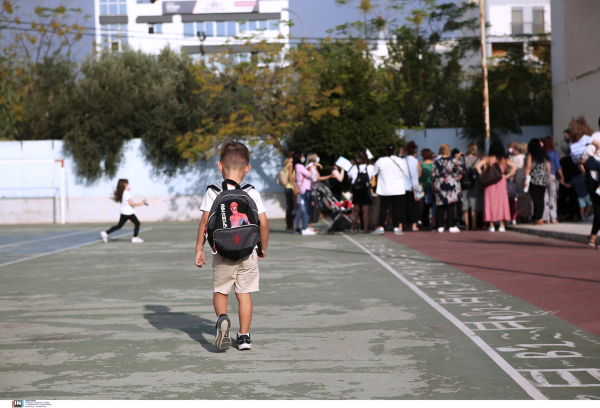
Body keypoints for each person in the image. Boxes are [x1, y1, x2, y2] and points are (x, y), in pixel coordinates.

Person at [195, 141, 269, 351]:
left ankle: (222, 318)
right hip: (248, 252)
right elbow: (263, 223)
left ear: (220, 166)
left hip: (222, 251)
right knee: (244, 294)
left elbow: (204, 223)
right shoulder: (252, 192)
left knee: (221, 291)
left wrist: (199, 249)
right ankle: (244, 337)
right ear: (248, 168)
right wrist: (262, 247)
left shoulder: (213, 191)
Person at [568, 117, 600, 247]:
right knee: (598, 207)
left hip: (591, 175)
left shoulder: (594, 136)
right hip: (594, 172)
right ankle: (592, 236)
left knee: (598, 206)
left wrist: (581, 163)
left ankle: (593, 236)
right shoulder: (592, 137)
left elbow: (586, 153)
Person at [475, 141, 517, 232]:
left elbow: (477, 166)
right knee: (501, 202)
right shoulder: (503, 159)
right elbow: (514, 167)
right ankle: (502, 225)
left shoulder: (488, 158)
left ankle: (491, 225)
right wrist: (506, 176)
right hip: (501, 182)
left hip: (489, 183)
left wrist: (482, 175)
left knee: (490, 202)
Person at [371, 144, 408, 236]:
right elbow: (405, 172)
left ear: (386, 151)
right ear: (395, 151)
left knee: (383, 208)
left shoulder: (381, 160)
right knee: (397, 209)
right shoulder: (400, 161)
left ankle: (380, 227)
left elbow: (373, 173)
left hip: (385, 189)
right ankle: (396, 227)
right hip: (398, 189)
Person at [101, 179, 147, 244]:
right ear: (125, 184)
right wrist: (141, 203)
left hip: (123, 213)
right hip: (129, 213)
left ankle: (106, 233)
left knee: (119, 226)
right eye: (128, 184)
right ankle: (135, 238)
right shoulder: (127, 193)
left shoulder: (123, 193)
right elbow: (131, 203)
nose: (130, 185)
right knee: (137, 223)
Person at [431, 144, 462, 233]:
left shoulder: (436, 162)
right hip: (451, 184)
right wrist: (459, 177)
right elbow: (463, 169)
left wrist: (433, 186)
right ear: (449, 151)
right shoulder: (453, 161)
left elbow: (433, 175)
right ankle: (451, 225)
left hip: (439, 184)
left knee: (440, 205)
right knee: (450, 206)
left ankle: (440, 226)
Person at [524, 138, 551, 226]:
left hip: (534, 178)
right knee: (541, 198)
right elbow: (548, 166)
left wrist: (525, 178)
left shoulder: (531, 154)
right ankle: (540, 217)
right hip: (543, 178)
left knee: (535, 198)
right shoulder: (544, 154)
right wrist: (548, 176)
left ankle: (538, 218)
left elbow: (528, 167)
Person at [348, 151, 374, 233]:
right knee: (366, 210)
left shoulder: (354, 168)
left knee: (355, 209)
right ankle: (365, 228)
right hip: (366, 190)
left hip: (356, 190)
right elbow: (372, 177)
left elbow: (349, 177)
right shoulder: (370, 167)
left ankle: (353, 227)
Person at [293, 151, 315, 235]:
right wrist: (311, 169)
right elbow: (309, 175)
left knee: (305, 208)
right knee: (306, 209)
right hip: (305, 189)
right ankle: (305, 228)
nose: (303, 158)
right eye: (302, 156)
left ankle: (305, 227)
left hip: (302, 189)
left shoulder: (296, 166)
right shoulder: (300, 166)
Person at [306, 153, 332, 225]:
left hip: (313, 188)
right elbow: (315, 178)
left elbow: (317, 178)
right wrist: (318, 165)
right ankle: (308, 226)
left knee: (313, 207)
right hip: (311, 188)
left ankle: (309, 226)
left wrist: (329, 176)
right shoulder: (310, 166)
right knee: (310, 206)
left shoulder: (313, 167)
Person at [542, 136, 563, 224]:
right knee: (553, 197)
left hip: (543, 176)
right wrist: (562, 176)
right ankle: (553, 217)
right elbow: (557, 166)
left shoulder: (542, 153)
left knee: (545, 197)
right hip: (552, 176)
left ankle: (546, 217)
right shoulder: (554, 153)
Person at [402, 142, 422, 231]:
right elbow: (419, 174)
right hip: (415, 186)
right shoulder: (416, 161)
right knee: (415, 206)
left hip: (404, 186)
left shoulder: (403, 160)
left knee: (405, 206)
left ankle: (405, 224)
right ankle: (414, 225)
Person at [461, 143, 480, 230]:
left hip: (465, 183)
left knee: (465, 204)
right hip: (475, 183)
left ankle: (467, 225)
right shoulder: (478, 159)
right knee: (473, 205)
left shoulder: (463, 159)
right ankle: (474, 225)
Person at [420, 148, 435, 229]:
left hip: (424, 186)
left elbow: (420, 176)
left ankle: (425, 223)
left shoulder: (422, 165)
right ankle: (434, 222)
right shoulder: (434, 164)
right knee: (434, 206)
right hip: (433, 186)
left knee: (425, 207)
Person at [282, 152, 296, 232]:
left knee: (289, 208)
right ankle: (289, 225)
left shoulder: (286, 164)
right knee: (291, 207)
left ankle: (289, 225)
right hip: (290, 188)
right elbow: (291, 177)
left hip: (287, 188)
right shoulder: (290, 165)